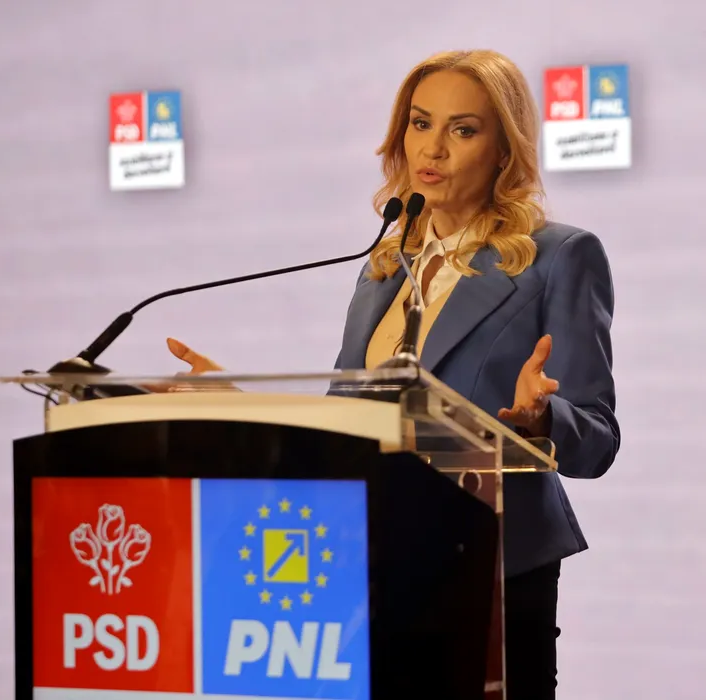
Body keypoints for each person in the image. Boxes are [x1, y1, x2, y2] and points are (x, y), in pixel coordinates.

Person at [169, 49, 619, 699]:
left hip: (492, 563)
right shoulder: (384, 264)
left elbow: (598, 439)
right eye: (420, 123)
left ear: (503, 150)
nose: (432, 148)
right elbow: (346, 417)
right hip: (373, 559)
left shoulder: (557, 257)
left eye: (463, 129)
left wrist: (543, 418)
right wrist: (235, 400)